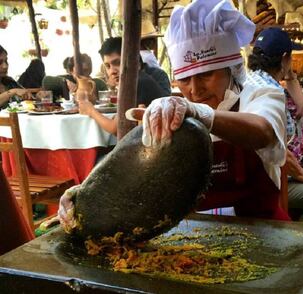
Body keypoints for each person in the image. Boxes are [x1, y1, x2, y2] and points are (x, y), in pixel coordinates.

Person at [58, 0, 289, 229]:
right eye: (185, 79)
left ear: (232, 68)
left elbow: (263, 131)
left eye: (206, 75)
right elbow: (138, 172)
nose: (195, 90)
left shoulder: (260, 95)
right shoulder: (174, 113)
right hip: (193, 236)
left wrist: (201, 115)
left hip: (262, 232)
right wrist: (89, 194)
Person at [248, 28, 303, 223]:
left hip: (259, 172)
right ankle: (298, 243)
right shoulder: (270, 92)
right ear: (285, 57)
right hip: (268, 179)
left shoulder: (254, 80)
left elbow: (300, 109)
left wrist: (290, 75)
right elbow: (278, 148)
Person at [77, 37, 170, 135]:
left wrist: (91, 111)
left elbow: (116, 129)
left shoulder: (136, 83)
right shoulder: (139, 79)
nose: (112, 71)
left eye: (117, 63)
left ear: (136, 63)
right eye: (108, 66)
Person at [42, 53, 107, 101]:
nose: (83, 74)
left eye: (86, 70)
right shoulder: (67, 80)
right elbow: (46, 81)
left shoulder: (98, 83)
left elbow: (107, 101)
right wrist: (66, 82)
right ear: (70, 71)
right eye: (79, 70)